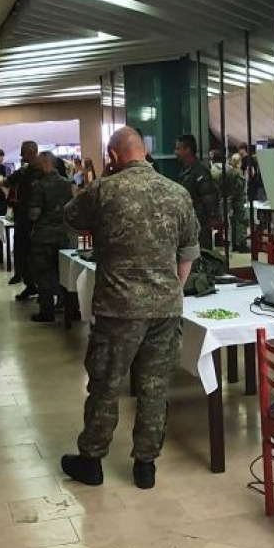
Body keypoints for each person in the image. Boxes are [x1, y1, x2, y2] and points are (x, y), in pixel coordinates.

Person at [61, 127, 199, 490]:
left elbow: (71, 215)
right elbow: (188, 253)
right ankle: (145, 466)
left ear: (113, 156)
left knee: (106, 384)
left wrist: (103, 177)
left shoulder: (104, 191)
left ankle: (91, 461)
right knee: (155, 386)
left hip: (118, 308)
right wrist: (171, 290)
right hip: (165, 308)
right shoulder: (177, 192)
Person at [0, 141, 42, 299]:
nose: (21, 156)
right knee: (21, 254)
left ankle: (44, 291)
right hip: (23, 218)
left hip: (40, 220)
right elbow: (6, 182)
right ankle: (30, 285)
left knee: (39, 257)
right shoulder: (24, 171)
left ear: (32, 152)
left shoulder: (45, 169)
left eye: (24, 152)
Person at [28, 151, 74, 323]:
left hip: (43, 236)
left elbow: (34, 214)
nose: (36, 168)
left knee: (44, 275)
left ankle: (47, 311)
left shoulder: (38, 186)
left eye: (39, 164)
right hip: (63, 234)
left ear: (46, 164)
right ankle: (71, 309)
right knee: (65, 274)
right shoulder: (67, 184)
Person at [175, 134, 218, 249]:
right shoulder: (185, 171)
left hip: (200, 225)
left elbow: (209, 199)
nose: (176, 152)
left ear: (188, 150)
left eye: (178, 148)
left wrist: (209, 218)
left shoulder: (199, 172)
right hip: (189, 224)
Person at [209, 148, 248, 253]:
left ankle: (233, 243)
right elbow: (239, 187)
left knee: (230, 223)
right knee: (240, 221)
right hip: (234, 200)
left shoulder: (212, 170)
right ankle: (241, 244)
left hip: (220, 201)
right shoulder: (232, 171)